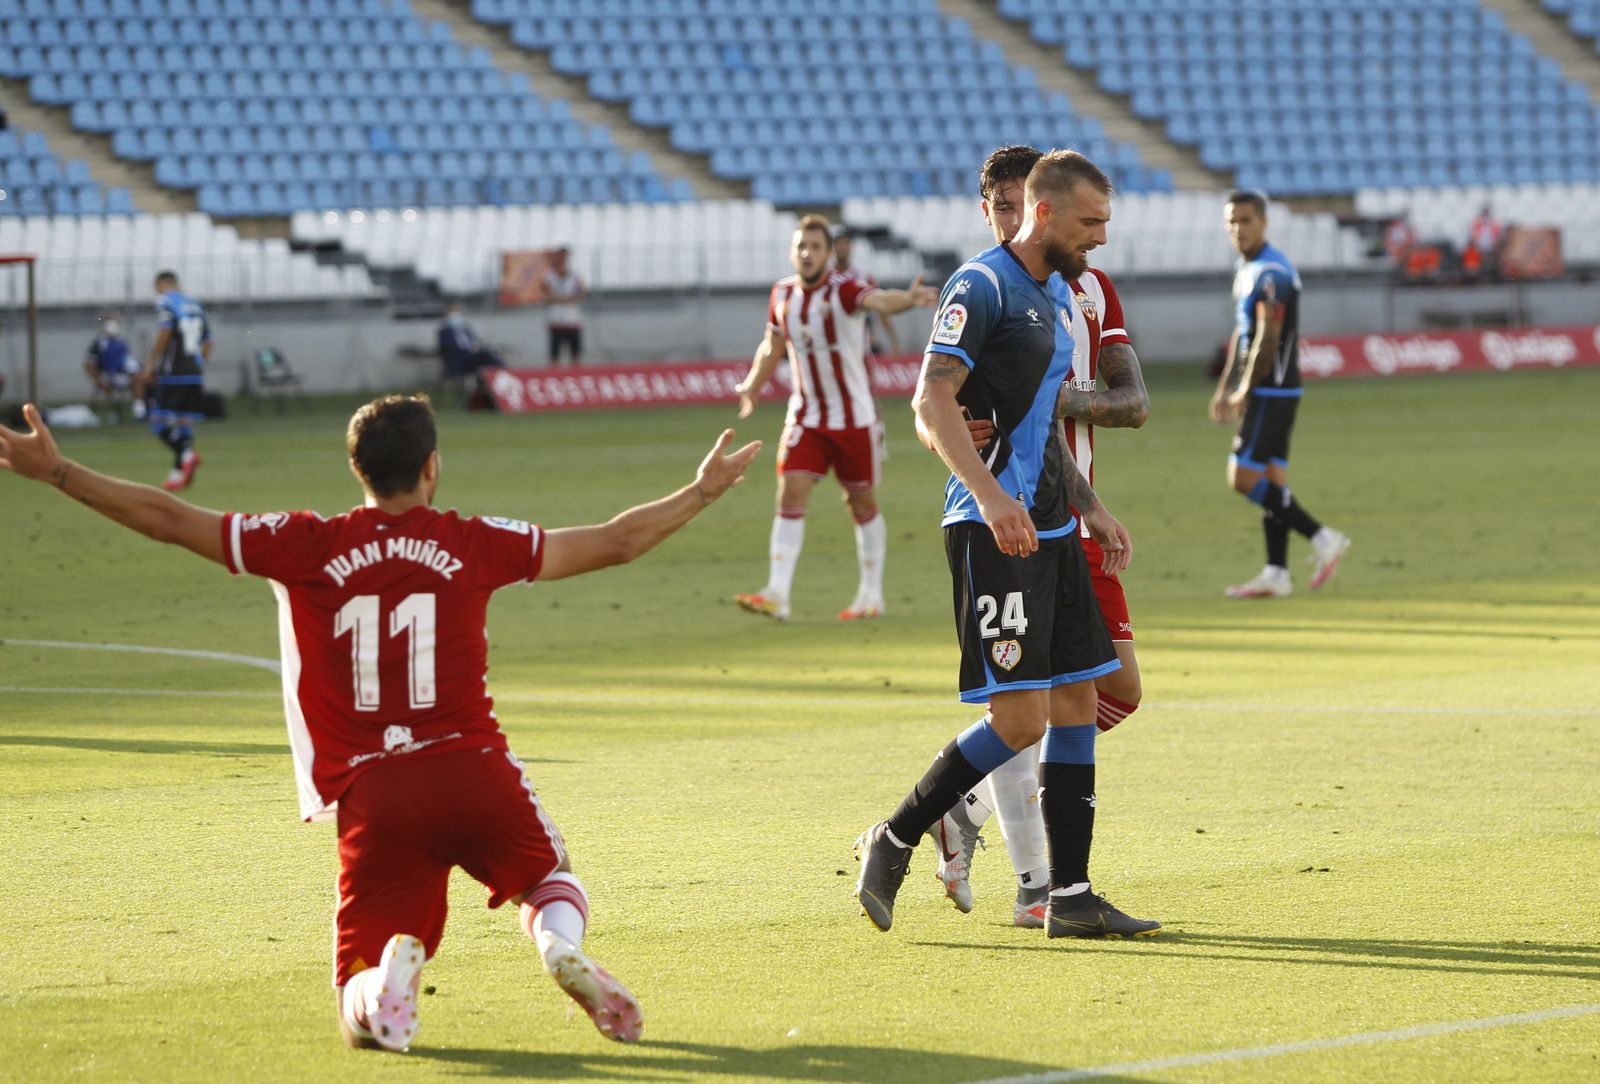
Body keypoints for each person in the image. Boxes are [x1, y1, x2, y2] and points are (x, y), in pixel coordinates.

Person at [0, 395, 761, 1054]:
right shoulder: (474, 540)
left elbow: (169, 518)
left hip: (375, 793)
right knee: (547, 880)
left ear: (356, 468)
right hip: (474, 769)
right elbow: (616, 541)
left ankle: (382, 992)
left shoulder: (303, 543)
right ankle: (560, 947)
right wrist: (700, 491)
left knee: (352, 1003)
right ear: (431, 468)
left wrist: (59, 472)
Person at [853, 150, 1160, 940]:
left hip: (1054, 525)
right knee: (1020, 721)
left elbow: (1036, 426)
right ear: (1047, 212)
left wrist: (1088, 507)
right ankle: (896, 836)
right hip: (995, 530)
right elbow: (929, 401)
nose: (1100, 239)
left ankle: (1071, 895)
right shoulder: (980, 285)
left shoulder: (1059, 295)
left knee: (1081, 702)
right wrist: (991, 498)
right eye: (1092, 222)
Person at [732, 213, 936, 622]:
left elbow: (878, 301)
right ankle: (777, 593)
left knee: (860, 502)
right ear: (793, 252)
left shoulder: (844, 291)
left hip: (854, 420)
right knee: (790, 492)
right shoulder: (782, 294)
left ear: (829, 254)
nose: (807, 254)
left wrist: (907, 299)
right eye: (801, 247)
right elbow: (772, 345)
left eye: (815, 247)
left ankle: (871, 594)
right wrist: (752, 385)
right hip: (806, 418)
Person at [1209, 191, 1349, 598]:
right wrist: (1225, 386)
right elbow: (1242, 332)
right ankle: (1277, 572)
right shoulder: (1247, 269)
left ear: (1264, 223)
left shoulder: (1272, 274)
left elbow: (1268, 340)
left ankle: (1322, 536)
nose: (1238, 229)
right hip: (1270, 389)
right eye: (1232, 222)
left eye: (1246, 220)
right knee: (1272, 481)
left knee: (1242, 478)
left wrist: (1244, 391)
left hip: (1273, 388)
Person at [141, 271, 209, 491]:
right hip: (195, 371)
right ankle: (178, 474)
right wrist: (199, 364)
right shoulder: (195, 304)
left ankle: (187, 454)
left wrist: (151, 363)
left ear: (161, 284)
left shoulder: (165, 301)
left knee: (156, 420)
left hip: (174, 370)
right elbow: (209, 341)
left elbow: (166, 329)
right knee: (185, 423)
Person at [833, 229, 903, 357]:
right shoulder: (826, 278)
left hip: (860, 345)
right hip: (833, 343)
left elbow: (882, 309)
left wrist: (893, 340)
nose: (843, 247)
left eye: (846, 243)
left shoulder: (864, 277)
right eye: (839, 243)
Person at [83, 313, 143, 415]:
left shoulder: (122, 341)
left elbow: (129, 360)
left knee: (141, 377)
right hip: (109, 375)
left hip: (125, 374)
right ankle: (116, 412)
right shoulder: (98, 342)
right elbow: (89, 364)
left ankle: (140, 409)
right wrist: (99, 379)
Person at [436, 304, 505, 381]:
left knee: (491, 354)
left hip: (471, 358)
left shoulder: (465, 329)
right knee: (485, 354)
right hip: (458, 361)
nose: (455, 317)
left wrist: (477, 347)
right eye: (452, 314)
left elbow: (476, 340)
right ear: (447, 316)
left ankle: (501, 375)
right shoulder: (444, 331)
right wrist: (470, 350)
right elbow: (449, 348)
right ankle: (505, 372)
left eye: (457, 313)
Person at [543, 248, 586, 366]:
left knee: (576, 355)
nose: (561, 259)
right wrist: (567, 299)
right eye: (559, 256)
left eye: (564, 257)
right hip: (555, 321)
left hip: (572, 321)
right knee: (554, 356)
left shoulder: (576, 275)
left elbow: (580, 296)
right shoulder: (548, 275)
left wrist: (557, 298)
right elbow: (546, 297)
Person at [1464, 204, 1503, 277]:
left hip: (1492, 246)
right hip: (1479, 246)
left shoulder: (1493, 223)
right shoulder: (1477, 223)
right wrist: (1476, 245)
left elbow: (1497, 235)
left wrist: (1496, 244)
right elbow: (1473, 235)